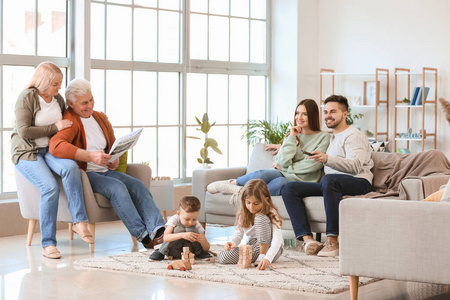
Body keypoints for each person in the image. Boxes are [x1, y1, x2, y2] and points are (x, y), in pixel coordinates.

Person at [49, 78, 165, 249]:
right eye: (84, 103)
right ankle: (143, 235)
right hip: (88, 174)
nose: (89, 105)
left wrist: (114, 159)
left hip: (106, 170)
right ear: (71, 104)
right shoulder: (70, 121)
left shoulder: (100, 118)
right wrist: (89, 156)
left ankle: (160, 231)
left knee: (138, 185)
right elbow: (56, 147)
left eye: (91, 100)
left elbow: (111, 145)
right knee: (117, 188)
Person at [11, 62, 94, 259]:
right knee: (49, 187)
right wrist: (54, 128)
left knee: (71, 167)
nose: (59, 88)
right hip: (27, 152)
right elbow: (24, 131)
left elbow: (65, 125)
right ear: (43, 82)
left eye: (59, 83)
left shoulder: (57, 99)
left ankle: (79, 222)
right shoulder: (26, 98)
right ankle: (48, 243)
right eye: (55, 84)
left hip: (50, 150)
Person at [282, 95, 373, 257]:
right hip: (331, 184)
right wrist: (283, 144)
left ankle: (332, 241)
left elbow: (355, 166)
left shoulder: (353, 135)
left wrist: (327, 159)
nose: (328, 116)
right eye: (325, 112)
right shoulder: (331, 137)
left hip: (359, 181)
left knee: (329, 180)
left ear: (345, 114)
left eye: (333, 111)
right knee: (289, 188)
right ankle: (308, 240)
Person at [231, 99, 330, 195]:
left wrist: (285, 169)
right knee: (262, 174)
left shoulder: (323, 137)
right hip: (284, 173)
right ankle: (234, 183)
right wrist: (292, 137)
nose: (299, 117)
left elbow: (313, 164)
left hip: (304, 180)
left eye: (304, 114)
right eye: (297, 113)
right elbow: (281, 161)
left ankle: (246, 193)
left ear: (312, 116)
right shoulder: (292, 135)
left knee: (280, 183)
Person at [218, 179, 284, 270]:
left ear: (266, 200)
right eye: (248, 203)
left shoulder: (271, 212)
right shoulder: (243, 213)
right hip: (254, 245)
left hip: (271, 247)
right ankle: (258, 256)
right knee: (223, 257)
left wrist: (268, 258)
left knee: (260, 217)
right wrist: (232, 242)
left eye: (256, 203)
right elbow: (238, 234)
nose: (251, 207)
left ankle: (262, 255)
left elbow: (277, 238)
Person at [149, 196, 212, 261]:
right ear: (178, 214)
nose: (190, 222)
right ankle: (161, 252)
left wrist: (202, 240)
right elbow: (166, 238)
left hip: (189, 251)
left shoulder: (196, 224)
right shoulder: (174, 220)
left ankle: (200, 253)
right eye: (187, 219)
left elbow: (207, 247)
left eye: (194, 219)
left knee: (192, 230)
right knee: (179, 229)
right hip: (174, 250)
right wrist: (182, 235)